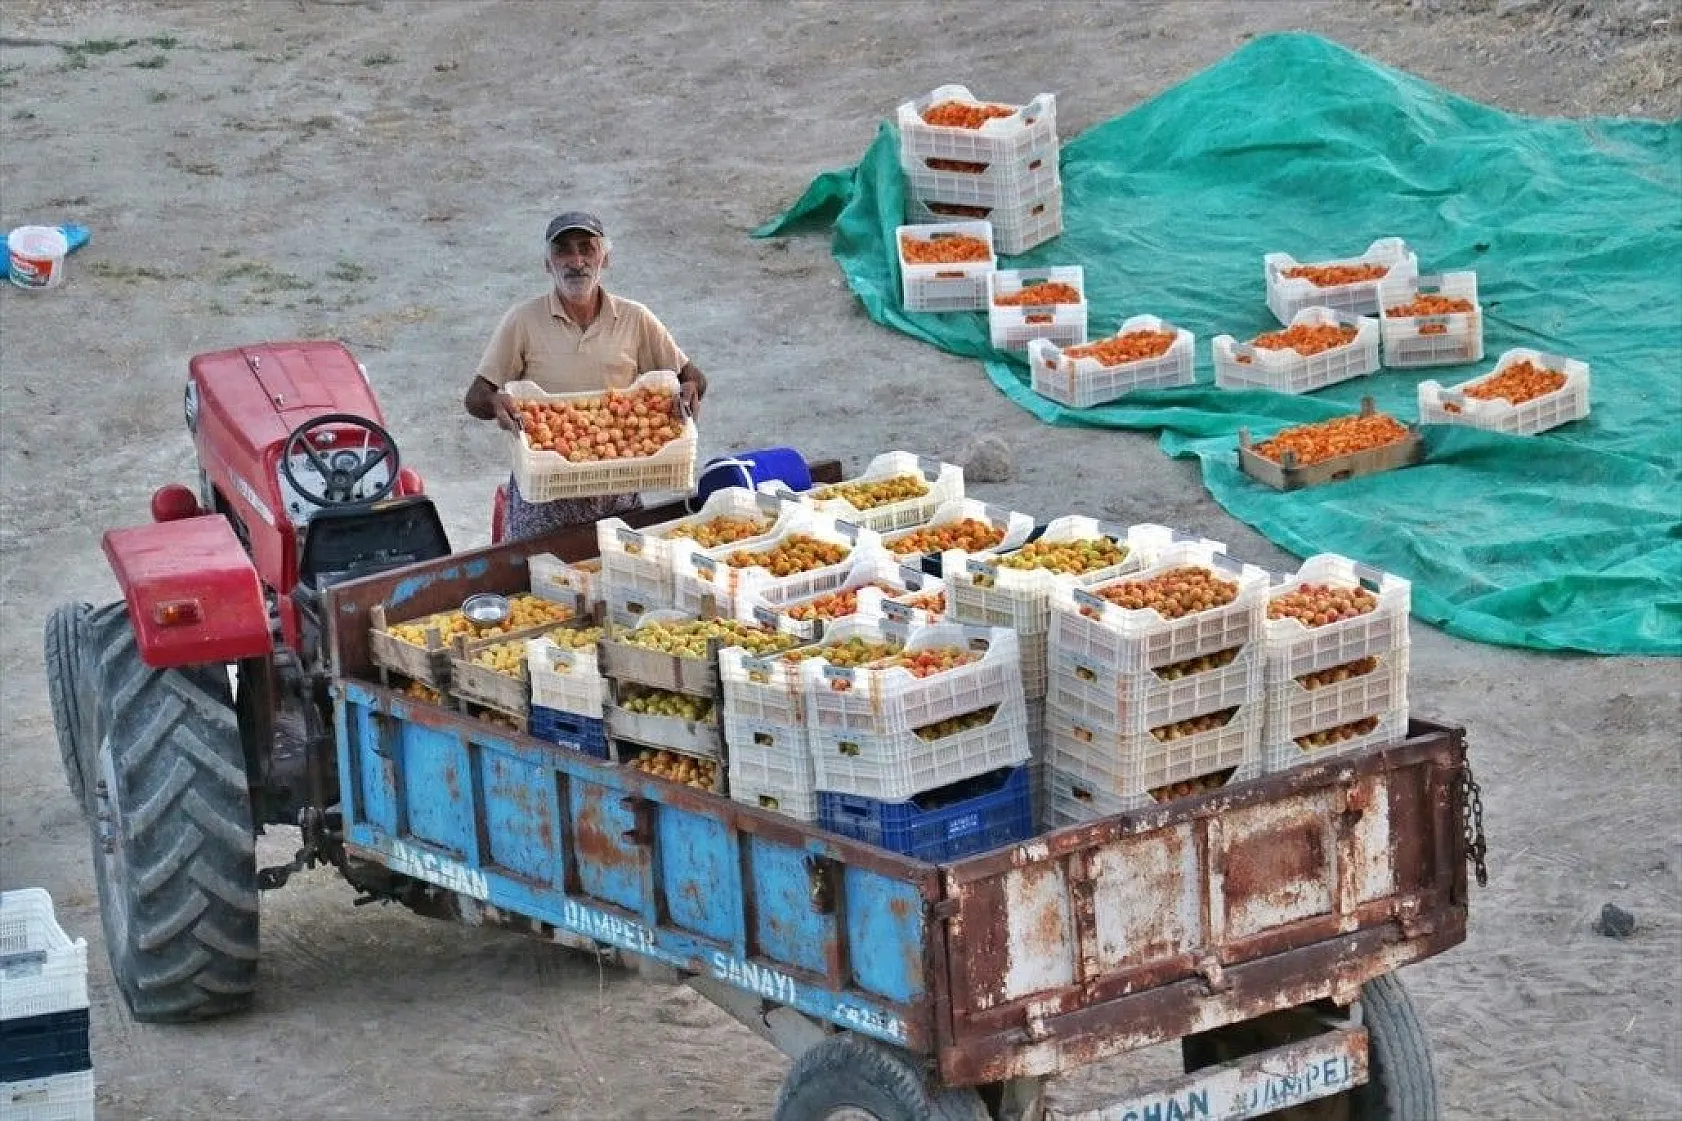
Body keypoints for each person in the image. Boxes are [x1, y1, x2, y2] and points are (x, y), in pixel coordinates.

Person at [465, 211, 707, 541]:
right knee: (535, 585)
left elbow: (690, 376)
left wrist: (691, 388)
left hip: (617, 491)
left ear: (604, 258)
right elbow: (475, 397)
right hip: (544, 494)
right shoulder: (524, 321)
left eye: (587, 249)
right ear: (547, 263)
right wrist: (496, 403)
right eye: (563, 250)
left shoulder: (634, 318)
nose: (575, 261)